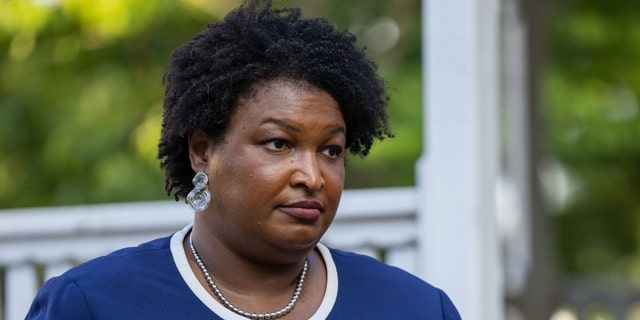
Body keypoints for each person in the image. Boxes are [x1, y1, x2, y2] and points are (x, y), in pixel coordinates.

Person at [26, 0, 461, 319]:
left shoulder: (416, 308)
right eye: (278, 143)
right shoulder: (92, 304)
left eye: (331, 150)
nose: (312, 176)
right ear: (201, 150)